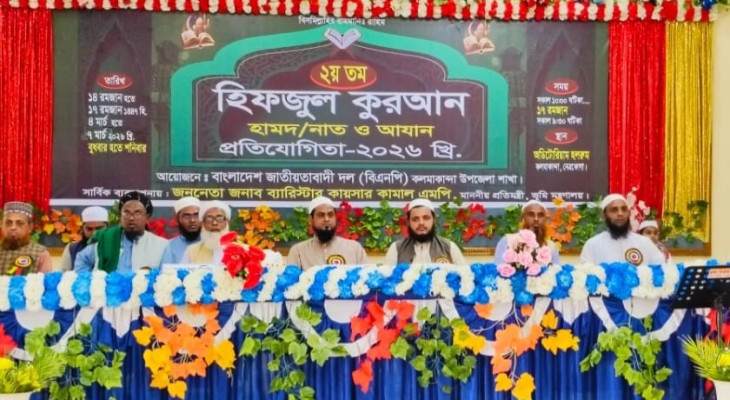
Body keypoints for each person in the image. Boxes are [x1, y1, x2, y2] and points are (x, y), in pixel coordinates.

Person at [74, 191, 168, 272]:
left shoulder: (161, 245)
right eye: (126, 213)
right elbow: (82, 259)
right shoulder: (106, 239)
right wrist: (89, 281)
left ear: (147, 218)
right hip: (109, 287)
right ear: (120, 216)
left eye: (138, 213)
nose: (131, 218)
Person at [580, 194, 665, 266]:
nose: (620, 213)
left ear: (628, 213)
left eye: (624, 209)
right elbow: (585, 274)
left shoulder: (645, 243)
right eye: (614, 210)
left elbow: (661, 270)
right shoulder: (593, 245)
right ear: (604, 216)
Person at [287, 196, 368, 270]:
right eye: (321, 215)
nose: (326, 219)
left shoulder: (355, 249)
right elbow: (290, 280)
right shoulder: (298, 252)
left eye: (330, 215)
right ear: (310, 220)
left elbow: (366, 278)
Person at [383, 198, 467, 266]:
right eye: (415, 219)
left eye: (426, 218)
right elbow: (386, 278)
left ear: (434, 220)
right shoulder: (396, 248)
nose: (421, 223)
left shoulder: (449, 247)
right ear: (408, 222)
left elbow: (466, 276)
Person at [494, 200, 560, 266]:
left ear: (545, 219)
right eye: (531, 215)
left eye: (540, 215)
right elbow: (498, 269)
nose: (536, 219)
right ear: (523, 218)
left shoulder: (552, 247)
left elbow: (555, 270)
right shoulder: (507, 241)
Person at [0, 201, 52, 274]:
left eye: (19, 223)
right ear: (2, 225)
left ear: (30, 227)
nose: (13, 227)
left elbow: (46, 280)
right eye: (8, 223)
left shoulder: (41, 254)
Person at [58, 206, 109, 271]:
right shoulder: (72, 248)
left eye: (99, 228)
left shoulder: (117, 247)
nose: (94, 233)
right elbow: (64, 274)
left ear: (107, 227)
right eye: (89, 229)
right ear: (83, 229)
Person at [181, 200, 230, 265]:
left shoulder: (241, 249)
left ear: (227, 222)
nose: (214, 223)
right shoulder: (191, 251)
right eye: (209, 219)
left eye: (219, 218)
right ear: (202, 224)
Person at [160, 197, 201, 265]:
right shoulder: (169, 246)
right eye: (187, 216)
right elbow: (167, 270)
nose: (192, 220)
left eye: (196, 215)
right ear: (177, 219)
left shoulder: (211, 243)